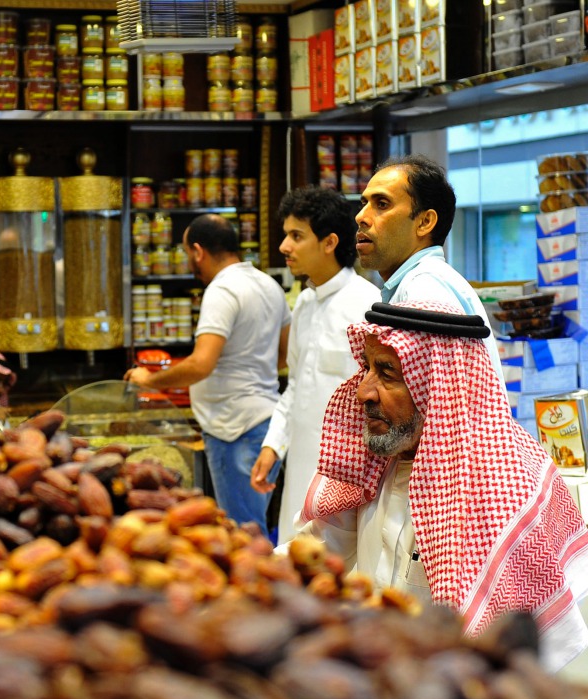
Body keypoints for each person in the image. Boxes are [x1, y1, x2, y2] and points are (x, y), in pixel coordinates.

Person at [296, 300, 588, 671]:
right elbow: (314, 553)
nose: (363, 392)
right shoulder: (376, 458)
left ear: (437, 387)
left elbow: (513, 658)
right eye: (366, 368)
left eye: (387, 373)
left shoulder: (501, 484)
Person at [126, 214, 291, 533]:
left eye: (188, 254)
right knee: (253, 525)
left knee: (242, 533)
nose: (191, 262)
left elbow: (200, 364)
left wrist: (149, 380)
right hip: (266, 422)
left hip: (234, 429)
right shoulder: (268, 285)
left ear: (198, 251)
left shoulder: (222, 289)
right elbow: (283, 356)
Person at [251, 187, 379, 544]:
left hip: (348, 475)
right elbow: (295, 386)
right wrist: (273, 445)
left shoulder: (367, 304)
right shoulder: (304, 303)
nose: (284, 247)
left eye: (296, 236)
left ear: (329, 242)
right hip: (302, 465)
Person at [355, 154, 503, 377]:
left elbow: (436, 404)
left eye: (382, 204)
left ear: (424, 222)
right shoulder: (419, 282)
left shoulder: (425, 289)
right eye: (364, 203)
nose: (361, 217)